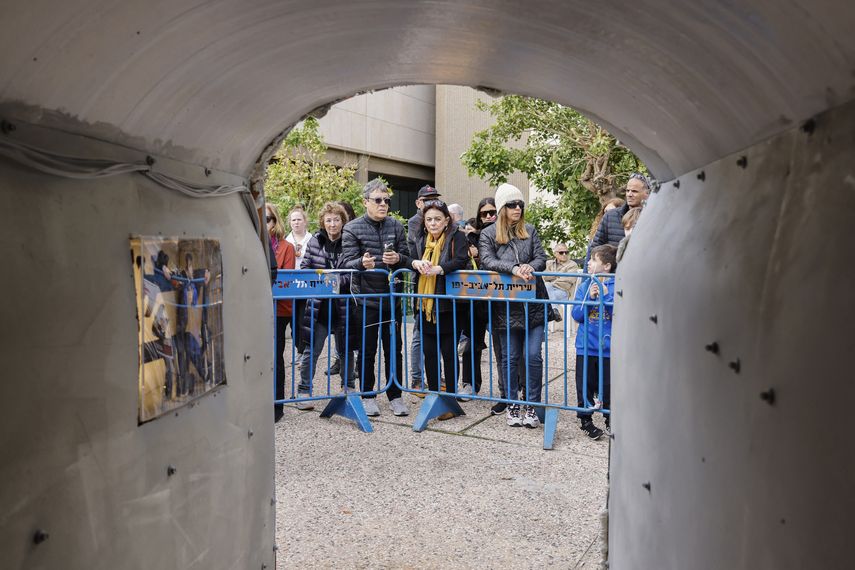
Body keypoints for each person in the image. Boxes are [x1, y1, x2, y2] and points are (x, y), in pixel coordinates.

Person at [341, 178, 413, 417]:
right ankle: (368, 395)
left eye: (387, 200)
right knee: (367, 349)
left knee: (394, 348)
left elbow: (407, 256)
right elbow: (345, 264)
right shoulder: (352, 228)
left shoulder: (395, 225)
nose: (383, 204)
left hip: (392, 299)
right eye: (378, 200)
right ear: (365, 203)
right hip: (366, 300)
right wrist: (361, 263)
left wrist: (399, 260)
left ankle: (395, 396)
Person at [479, 183, 548, 428]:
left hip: (534, 303)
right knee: (509, 357)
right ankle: (512, 404)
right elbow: (487, 260)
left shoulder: (530, 230)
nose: (517, 208)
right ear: (501, 208)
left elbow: (541, 257)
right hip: (506, 305)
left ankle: (531, 405)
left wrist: (531, 266)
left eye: (520, 204)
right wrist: (514, 268)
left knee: (532, 356)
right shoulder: (488, 234)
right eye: (511, 204)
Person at [410, 200, 470, 420]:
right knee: (429, 353)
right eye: (429, 219)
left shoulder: (458, 237)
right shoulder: (421, 239)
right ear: (424, 223)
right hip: (426, 304)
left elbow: (461, 260)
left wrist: (440, 269)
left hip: (449, 305)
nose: (433, 223)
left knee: (448, 352)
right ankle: (434, 396)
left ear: (446, 221)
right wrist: (416, 263)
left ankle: (449, 400)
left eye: (437, 219)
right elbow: (408, 259)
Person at [296, 202, 356, 410]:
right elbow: (305, 268)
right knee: (311, 350)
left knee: (346, 350)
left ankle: (348, 388)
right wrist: (322, 281)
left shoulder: (349, 242)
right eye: (328, 220)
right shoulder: (314, 241)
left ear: (343, 221)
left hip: (343, 306)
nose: (332, 224)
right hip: (319, 308)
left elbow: (354, 274)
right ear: (323, 221)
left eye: (336, 220)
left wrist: (337, 282)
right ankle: (304, 390)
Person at [457, 197, 507, 412]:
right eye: (484, 213)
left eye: (492, 211)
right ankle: (469, 384)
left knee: (504, 347)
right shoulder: (470, 236)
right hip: (476, 299)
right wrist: (471, 256)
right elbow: (463, 263)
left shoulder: (506, 233)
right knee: (471, 343)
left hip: (500, 299)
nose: (489, 216)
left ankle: (507, 390)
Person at [571, 244, 617, 440]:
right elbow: (576, 315)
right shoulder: (584, 286)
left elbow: (617, 315)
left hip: (608, 349)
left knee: (608, 386)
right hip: (586, 348)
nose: (588, 263)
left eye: (593, 260)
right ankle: (586, 420)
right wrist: (590, 299)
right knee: (585, 385)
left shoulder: (617, 285)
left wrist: (605, 295)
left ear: (606, 266)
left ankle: (610, 420)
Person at [407, 184, 441, 391]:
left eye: (435, 199)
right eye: (428, 200)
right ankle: (417, 377)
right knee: (420, 332)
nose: (432, 203)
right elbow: (417, 250)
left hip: (436, 281)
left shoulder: (440, 219)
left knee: (433, 332)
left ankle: (433, 375)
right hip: (421, 282)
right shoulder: (415, 222)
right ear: (419, 203)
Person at [267, 203, 297, 422]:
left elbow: (284, 280)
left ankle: (277, 404)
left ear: (275, 221)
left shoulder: (285, 247)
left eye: (268, 219)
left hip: (279, 309)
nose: (265, 223)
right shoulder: (252, 243)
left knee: (276, 357)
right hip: (255, 308)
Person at [586, 173, 649, 261]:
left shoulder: (653, 218)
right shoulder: (610, 216)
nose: (629, 194)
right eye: (627, 191)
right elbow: (595, 248)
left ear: (647, 194)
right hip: (612, 273)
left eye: (634, 191)